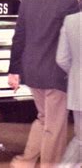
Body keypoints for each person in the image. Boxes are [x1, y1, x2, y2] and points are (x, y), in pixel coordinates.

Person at [8, 0, 80, 168]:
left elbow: (18, 37)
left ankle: (24, 162)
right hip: (56, 75)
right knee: (54, 128)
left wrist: (14, 70)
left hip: (31, 72)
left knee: (43, 119)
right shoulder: (70, 5)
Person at [56, 10, 82, 167]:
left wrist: (75, 74)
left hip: (79, 90)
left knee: (80, 139)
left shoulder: (70, 21)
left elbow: (62, 58)